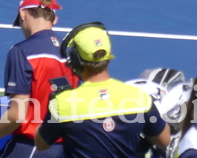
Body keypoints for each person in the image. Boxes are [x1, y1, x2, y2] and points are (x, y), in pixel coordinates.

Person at [35, 22, 171, 158]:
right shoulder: (140, 98)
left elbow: (41, 144)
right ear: (109, 54)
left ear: (75, 60)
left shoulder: (62, 104)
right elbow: (164, 140)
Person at [0, 0, 78, 158]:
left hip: (31, 148)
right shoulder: (72, 55)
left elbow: (16, 115)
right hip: (65, 149)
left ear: (22, 14)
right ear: (54, 18)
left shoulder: (22, 52)